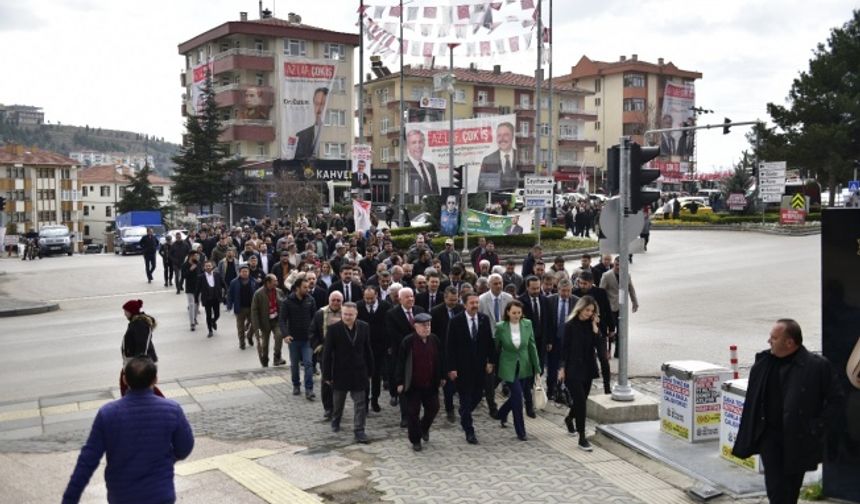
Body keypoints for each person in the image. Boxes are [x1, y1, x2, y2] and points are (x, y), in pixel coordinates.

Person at [732, 319, 843, 504]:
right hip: (770, 439)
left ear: (789, 343)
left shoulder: (816, 366)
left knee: (790, 489)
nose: (769, 341)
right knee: (776, 489)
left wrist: (817, 426)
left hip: (798, 438)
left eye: (774, 338)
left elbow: (836, 399)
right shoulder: (764, 363)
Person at [62, 357, 194, 504]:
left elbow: (87, 461)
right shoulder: (172, 410)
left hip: (122, 497)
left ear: (125, 380)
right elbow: (185, 447)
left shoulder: (108, 414)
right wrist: (167, 459)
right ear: (155, 380)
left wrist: (69, 500)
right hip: (160, 495)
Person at [446, 292, 494, 444]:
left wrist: (491, 361)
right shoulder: (456, 321)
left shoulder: (484, 319)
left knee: (478, 396)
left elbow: (489, 342)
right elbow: (450, 347)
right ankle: (469, 430)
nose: (475, 306)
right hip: (462, 368)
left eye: (477, 303)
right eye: (472, 303)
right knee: (465, 398)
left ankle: (464, 412)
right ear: (465, 304)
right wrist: (451, 368)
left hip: (479, 367)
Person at [322, 302, 373, 444]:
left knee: (361, 403)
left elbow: (367, 349)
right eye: (345, 314)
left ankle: (359, 430)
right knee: (338, 402)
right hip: (340, 372)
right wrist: (327, 375)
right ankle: (336, 420)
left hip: (359, 371)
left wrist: (370, 370)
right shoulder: (333, 329)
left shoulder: (364, 327)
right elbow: (327, 354)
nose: (347, 317)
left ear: (356, 314)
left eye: (350, 314)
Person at [395, 312, 445, 451]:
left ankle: (424, 428)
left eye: (428, 325)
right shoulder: (408, 341)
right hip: (413, 385)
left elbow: (440, 359)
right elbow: (400, 363)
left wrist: (442, 376)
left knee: (434, 408)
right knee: (412, 413)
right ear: (415, 327)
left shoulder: (434, 339)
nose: (426, 328)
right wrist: (399, 382)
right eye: (423, 326)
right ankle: (415, 440)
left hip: (430, 384)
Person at [559, 295, 603, 452]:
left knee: (581, 400)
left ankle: (569, 418)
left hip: (588, 368)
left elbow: (598, 346)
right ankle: (582, 437)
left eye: (592, 311)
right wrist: (562, 369)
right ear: (580, 308)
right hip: (573, 369)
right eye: (587, 310)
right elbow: (564, 348)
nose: (589, 313)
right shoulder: (570, 325)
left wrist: (595, 329)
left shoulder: (591, 325)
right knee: (581, 403)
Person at [495, 300, 541, 441]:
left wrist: (537, 367)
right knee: (518, 397)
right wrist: (492, 365)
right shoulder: (501, 326)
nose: (516, 315)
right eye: (514, 313)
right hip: (508, 366)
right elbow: (496, 347)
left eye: (519, 313)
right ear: (508, 312)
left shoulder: (527, 324)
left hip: (524, 366)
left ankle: (502, 413)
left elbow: (532, 346)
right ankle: (520, 431)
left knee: (516, 396)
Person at [385, 287, 427, 426]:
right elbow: (393, 335)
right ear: (400, 299)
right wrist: (413, 340)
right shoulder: (392, 314)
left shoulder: (420, 311)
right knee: (403, 386)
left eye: (412, 296)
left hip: (420, 354)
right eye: (407, 297)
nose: (410, 299)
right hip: (402, 354)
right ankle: (405, 416)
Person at [280, 274, 318, 398]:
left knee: (308, 364)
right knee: (294, 364)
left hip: (307, 339)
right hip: (293, 339)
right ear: (297, 288)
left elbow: (315, 319)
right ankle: (296, 385)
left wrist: (314, 335)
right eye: (304, 287)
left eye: (308, 287)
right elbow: (282, 320)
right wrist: (285, 335)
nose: (307, 290)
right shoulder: (287, 302)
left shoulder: (310, 300)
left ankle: (309, 389)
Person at [431, 286, 464, 422]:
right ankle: (449, 409)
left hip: (460, 351)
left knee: (461, 382)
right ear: (445, 298)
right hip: (443, 352)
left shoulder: (461, 309)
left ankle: (463, 407)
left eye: (455, 300)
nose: (453, 303)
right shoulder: (436, 312)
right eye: (451, 300)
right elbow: (434, 333)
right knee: (448, 384)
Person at [357, 285, 392, 413]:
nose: (369, 301)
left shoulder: (385, 306)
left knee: (377, 375)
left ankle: (375, 400)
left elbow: (389, 327)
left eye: (372, 298)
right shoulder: (359, 306)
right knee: (364, 375)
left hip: (380, 347)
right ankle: (364, 402)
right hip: (363, 346)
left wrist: (388, 345)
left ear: (377, 295)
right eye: (367, 298)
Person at [311, 291, 344, 416]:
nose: (335, 303)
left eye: (338, 300)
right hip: (325, 354)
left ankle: (338, 406)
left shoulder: (346, 313)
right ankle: (328, 407)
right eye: (333, 300)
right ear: (329, 300)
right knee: (326, 381)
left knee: (340, 382)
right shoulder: (320, 314)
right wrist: (319, 347)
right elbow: (312, 332)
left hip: (342, 354)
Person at [119, 299, 161, 397]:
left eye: (125, 311)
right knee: (143, 386)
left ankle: (128, 403)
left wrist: (139, 364)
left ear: (131, 311)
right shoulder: (136, 322)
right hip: (134, 361)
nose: (124, 314)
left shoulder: (139, 324)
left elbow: (143, 345)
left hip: (137, 362)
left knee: (140, 386)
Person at [251, 274, 284, 368]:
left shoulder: (279, 291)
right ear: (268, 282)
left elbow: (283, 305)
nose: (276, 283)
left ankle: (277, 357)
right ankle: (264, 361)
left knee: (279, 336)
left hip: (276, 320)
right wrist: (256, 327)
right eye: (275, 281)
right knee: (264, 345)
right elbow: (254, 311)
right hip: (264, 323)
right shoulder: (258, 294)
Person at [478, 122, 517, 191]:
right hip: (494, 199)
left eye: (506, 135)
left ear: (512, 136)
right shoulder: (487, 160)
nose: (502, 139)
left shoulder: (520, 157)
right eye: (499, 135)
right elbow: (482, 186)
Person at [226, 264, 257, 350]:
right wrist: (229, 305)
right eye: (243, 271)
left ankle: (250, 335)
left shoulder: (253, 281)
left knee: (255, 324)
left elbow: (258, 295)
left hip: (252, 307)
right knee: (240, 327)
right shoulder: (234, 282)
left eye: (246, 271)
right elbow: (229, 294)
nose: (245, 273)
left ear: (249, 272)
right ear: (239, 272)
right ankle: (242, 343)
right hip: (240, 308)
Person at [294, 87, 329, 160]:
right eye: (316, 104)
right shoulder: (302, 136)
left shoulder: (333, 132)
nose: (319, 109)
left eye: (322, 104)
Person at [405, 129, 439, 195]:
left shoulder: (430, 166)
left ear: (424, 144)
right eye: (414, 143)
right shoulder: (407, 167)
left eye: (420, 142)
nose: (418, 146)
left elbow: (436, 191)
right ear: (408, 146)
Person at [196, 260, 223, 338]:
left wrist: (226, 292)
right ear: (204, 267)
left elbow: (223, 283)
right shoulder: (201, 277)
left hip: (216, 297)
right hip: (207, 299)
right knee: (208, 315)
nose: (208, 267)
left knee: (217, 314)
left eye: (209, 266)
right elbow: (197, 289)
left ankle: (213, 321)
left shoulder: (217, 275)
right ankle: (210, 330)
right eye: (206, 266)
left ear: (212, 267)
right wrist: (196, 298)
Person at [181, 249, 201, 331]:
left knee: (197, 304)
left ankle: (194, 318)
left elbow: (201, 274)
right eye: (195, 256)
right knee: (191, 305)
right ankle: (192, 323)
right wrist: (190, 270)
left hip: (198, 287)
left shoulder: (198, 264)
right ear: (190, 256)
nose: (196, 257)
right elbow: (184, 276)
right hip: (189, 287)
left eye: (197, 256)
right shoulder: (185, 265)